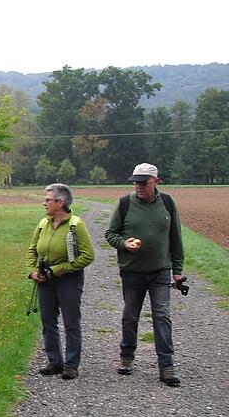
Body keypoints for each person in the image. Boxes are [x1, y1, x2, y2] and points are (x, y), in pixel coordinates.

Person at [105, 163, 185, 387]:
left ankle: (166, 367)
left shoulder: (167, 203)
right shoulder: (124, 204)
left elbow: (176, 238)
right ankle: (127, 358)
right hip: (132, 272)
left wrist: (177, 270)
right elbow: (110, 234)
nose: (138, 186)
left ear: (156, 182)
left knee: (162, 316)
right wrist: (124, 244)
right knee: (130, 316)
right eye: (136, 182)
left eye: (143, 182)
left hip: (160, 271)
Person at [26, 183, 95, 380]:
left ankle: (71, 365)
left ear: (60, 202)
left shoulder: (76, 225)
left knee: (71, 321)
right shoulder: (43, 224)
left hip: (68, 280)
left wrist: (59, 269)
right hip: (45, 280)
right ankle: (55, 362)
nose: (44, 203)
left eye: (48, 199)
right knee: (48, 321)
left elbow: (88, 256)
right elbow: (32, 250)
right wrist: (32, 271)